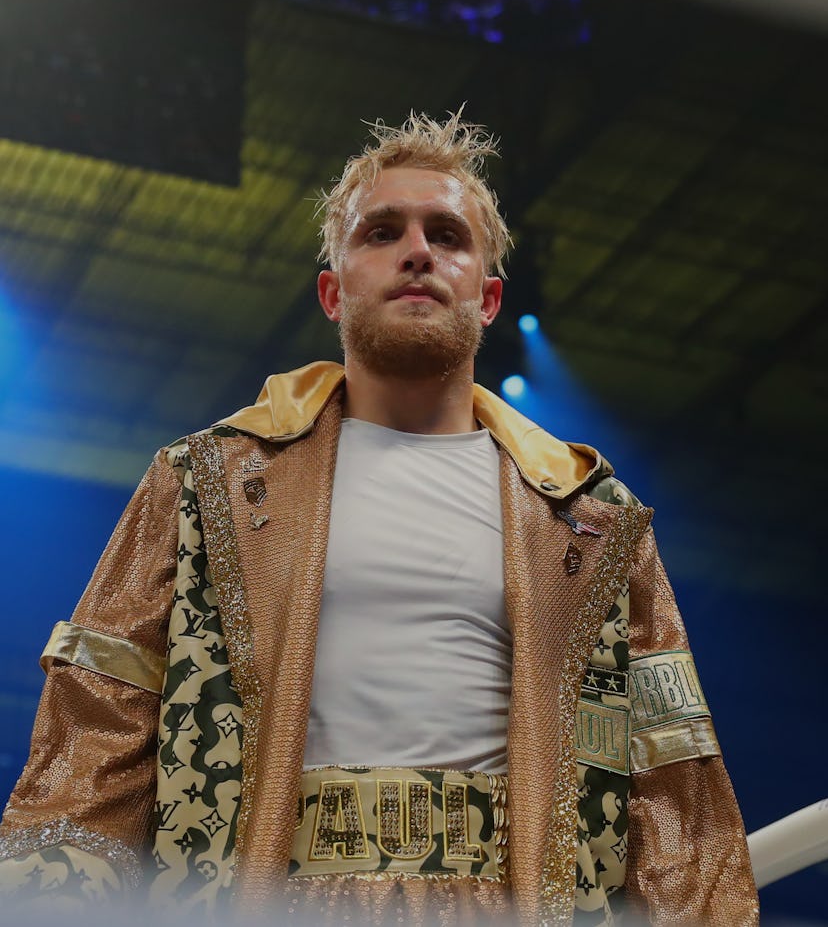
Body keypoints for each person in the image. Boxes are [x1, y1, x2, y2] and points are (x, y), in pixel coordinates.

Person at [0, 112, 758, 926]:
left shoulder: (592, 520)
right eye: (382, 231)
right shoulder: (203, 481)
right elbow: (99, 729)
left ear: (489, 296)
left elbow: (674, 781)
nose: (418, 251)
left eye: (447, 234)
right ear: (334, 290)